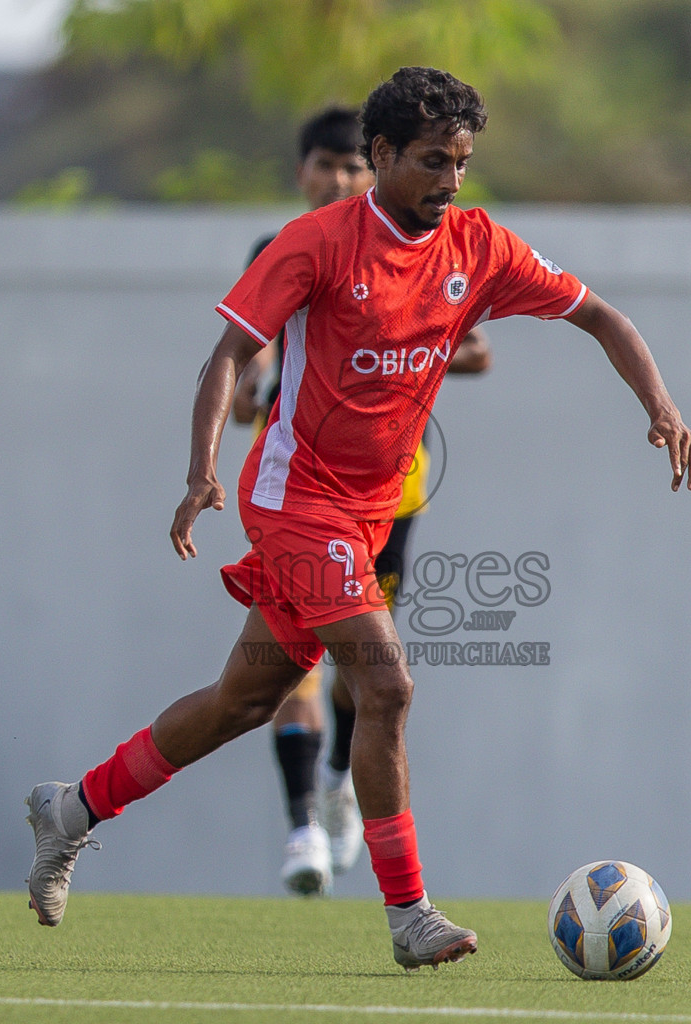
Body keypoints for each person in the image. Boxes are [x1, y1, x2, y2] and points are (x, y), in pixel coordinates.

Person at [25, 66, 691, 971]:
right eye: (433, 161)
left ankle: (69, 809)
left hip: (367, 514)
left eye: (462, 162)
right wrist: (201, 473)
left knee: (243, 702)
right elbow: (231, 351)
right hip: (293, 502)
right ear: (379, 156)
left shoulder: (480, 246)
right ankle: (409, 914)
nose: (451, 180)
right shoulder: (317, 244)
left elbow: (601, 317)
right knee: (387, 687)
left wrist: (661, 408)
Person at [231, 106, 493, 897]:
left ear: (371, 168)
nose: (338, 180)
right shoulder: (287, 246)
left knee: (360, 666)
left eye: (349, 168)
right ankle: (304, 823)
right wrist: (251, 377)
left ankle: (343, 780)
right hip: (297, 484)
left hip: (389, 489)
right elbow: (255, 342)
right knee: (292, 669)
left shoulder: (425, 246)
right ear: (302, 171)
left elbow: (475, 346)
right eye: (325, 165)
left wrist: (408, 348)